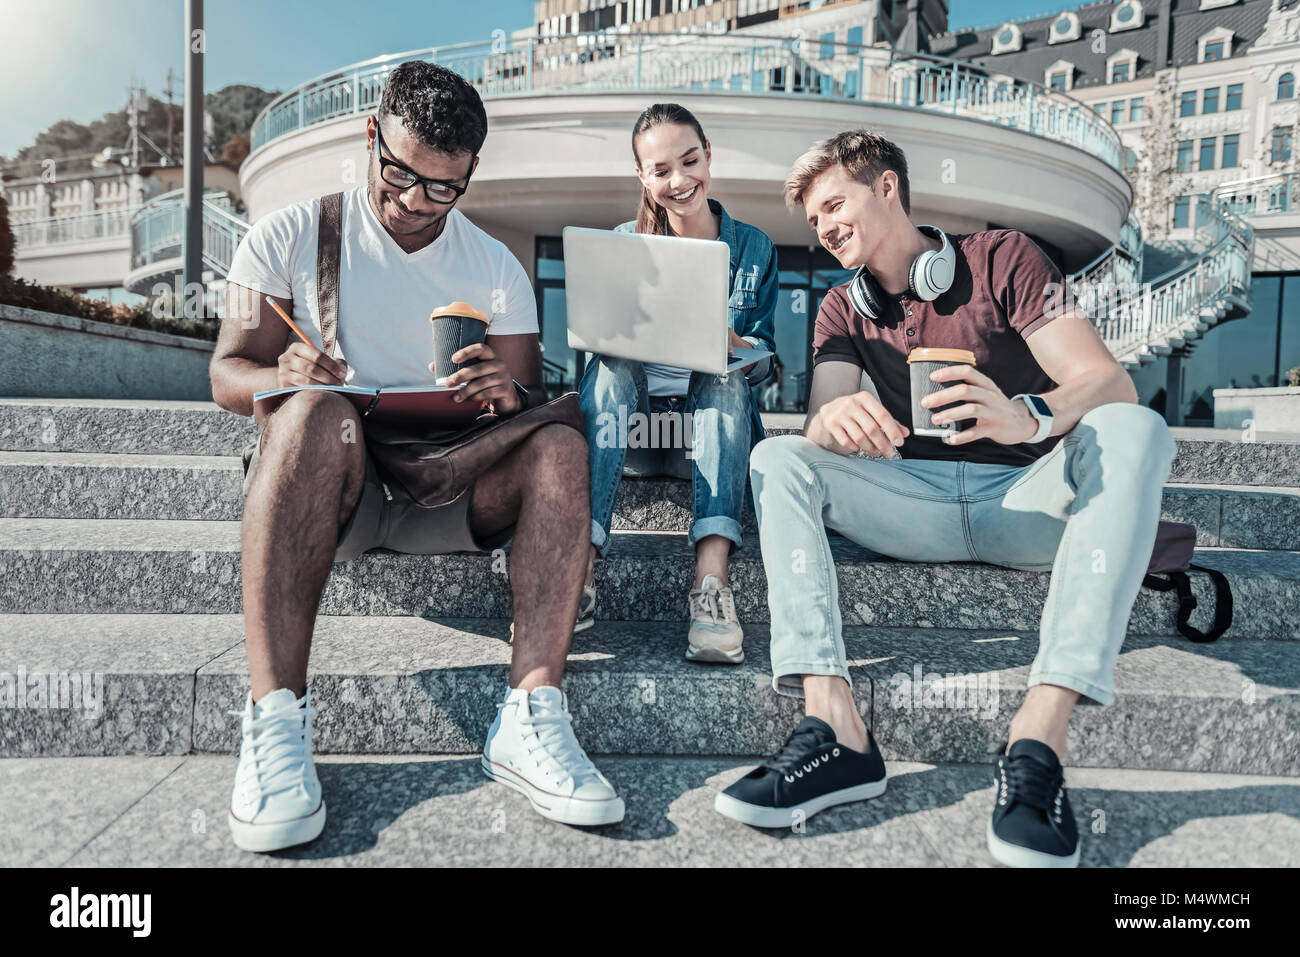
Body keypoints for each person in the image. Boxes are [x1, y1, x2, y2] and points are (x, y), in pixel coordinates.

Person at [716, 130, 1175, 868]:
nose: (826, 226)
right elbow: (825, 415)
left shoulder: (1006, 257)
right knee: (778, 456)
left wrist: (1027, 412)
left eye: (835, 204)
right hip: (914, 502)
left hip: (1027, 498)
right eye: (815, 220)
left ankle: (1037, 738)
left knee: (1134, 427)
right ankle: (835, 729)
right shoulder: (841, 306)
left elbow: (1107, 380)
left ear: (888, 187)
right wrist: (832, 420)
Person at [211, 62, 623, 852]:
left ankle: (531, 714)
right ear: (371, 135)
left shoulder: (497, 268)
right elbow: (225, 372)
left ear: (470, 175)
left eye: (442, 188)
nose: (412, 202)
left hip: (456, 487)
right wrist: (282, 375)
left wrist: (508, 391)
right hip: (341, 482)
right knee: (311, 417)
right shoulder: (288, 234)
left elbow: (526, 401)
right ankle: (274, 719)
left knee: (563, 446)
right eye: (399, 173)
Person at [577, 103, 778, 664]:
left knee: (723, 375)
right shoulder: (622, 243)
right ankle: (579, 571)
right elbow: (595, 363)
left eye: (690, 161)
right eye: (660, 170)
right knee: (611, 365)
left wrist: (742, 346)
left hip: (708, 438)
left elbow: (765, 360)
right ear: (642, 176)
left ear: (709, 156)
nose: (679, 181)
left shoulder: (755, 247)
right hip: (634, 434)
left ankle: (711, 585)